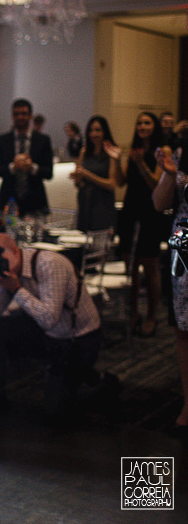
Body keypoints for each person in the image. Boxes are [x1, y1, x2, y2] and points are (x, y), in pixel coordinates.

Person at [0, 232, 114, 416]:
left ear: (15, 251)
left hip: (77, 339)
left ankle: (98, 379)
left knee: (56, 412)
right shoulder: (8, 269)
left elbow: (49, 318)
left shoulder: (49, 264)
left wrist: (15, 288)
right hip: (45, 333)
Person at [115, 111, 165, 336]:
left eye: (147, 123)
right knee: (131, 267)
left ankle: (153, 315)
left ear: (154, 127)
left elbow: (157, 184)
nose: (142, 127)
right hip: (130, 211)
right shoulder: (133, 151)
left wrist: (142, 163)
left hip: (150, 213)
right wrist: (117, 160)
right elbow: (120, 181)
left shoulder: (162, 152)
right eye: (139, 123)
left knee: (151, 266)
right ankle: (133, 312)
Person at [153, 144, 188, 439]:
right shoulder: (180, 148)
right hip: (183, 242)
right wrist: (168, 174)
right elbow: (158, 203)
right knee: (183, 329)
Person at [0, 99, 54, 217]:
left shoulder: (43, 140)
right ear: (12, 116)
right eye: (16, 114)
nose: (20, 117)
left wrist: (32, 167)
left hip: (36, 201)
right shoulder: (2, 140)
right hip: (8, 200)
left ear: (30, 116)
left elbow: (49, 173)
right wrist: (13, 166)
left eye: (24, 114)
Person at [69, 115, 120, 232]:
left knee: (100, 240)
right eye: (91, 130)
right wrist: (77, 177)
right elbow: (78, 183)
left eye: (98, 130)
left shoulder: (111, 152)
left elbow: (111, 184)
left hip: (102, 204)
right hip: (85, 201)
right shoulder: (84, 152)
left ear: (104, 132)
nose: (94, 134)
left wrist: (87, 174)